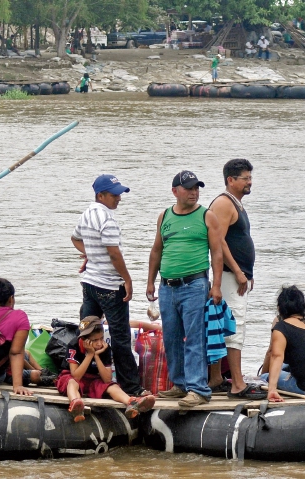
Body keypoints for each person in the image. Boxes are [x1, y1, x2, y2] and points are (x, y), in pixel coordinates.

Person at [147, 170, 223, 407]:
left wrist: (217, 285)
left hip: (195, 284)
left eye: (196, 188)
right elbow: (157, 250)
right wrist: (150, 281)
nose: (194, 192)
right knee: (171, 337)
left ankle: (198, 389)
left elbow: (217, 252)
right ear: (175, 191)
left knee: (194, 338)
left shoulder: (206, 216)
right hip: (168, 286)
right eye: (189, 188)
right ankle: (179, 385)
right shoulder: (165, 216)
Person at [71, 174, 146, 397]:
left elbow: (75, 238)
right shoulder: (107, 219)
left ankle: (80, 375)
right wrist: (128, 279)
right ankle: (131, 386)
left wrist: (89, 255)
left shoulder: (87, 214)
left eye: (119, 194)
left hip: (90, 284)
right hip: (111, 286)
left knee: (86, 330)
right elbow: (114, 253)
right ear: (100, 195)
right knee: (120, 335)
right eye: (114, 195)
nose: (118, 198)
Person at [206, 159, 265, 400]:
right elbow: (217, 241)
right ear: (231, 180)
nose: (250, 182)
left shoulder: (236, 204)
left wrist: (247, 272)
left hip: (238, 275)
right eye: (245, 178)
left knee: (222, 325)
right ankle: (238, 384)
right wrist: (239, 272)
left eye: (250, 177)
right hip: (230, 276)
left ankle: (217, 378)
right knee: (234, 326)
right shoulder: (223, 202)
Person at [57, 316, 156, 422]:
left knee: (112, 386)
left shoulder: (105, 348)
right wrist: (90, 354)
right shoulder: (74, 345)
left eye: (101, 338)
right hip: (72, 377)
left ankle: (131, 402)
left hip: (93, 379)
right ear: (84, 339)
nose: (99, 343)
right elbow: (76, 375)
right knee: (72, 382)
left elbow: (107, 379)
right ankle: (76, 404)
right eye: (95, 340)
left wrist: (97, 356)